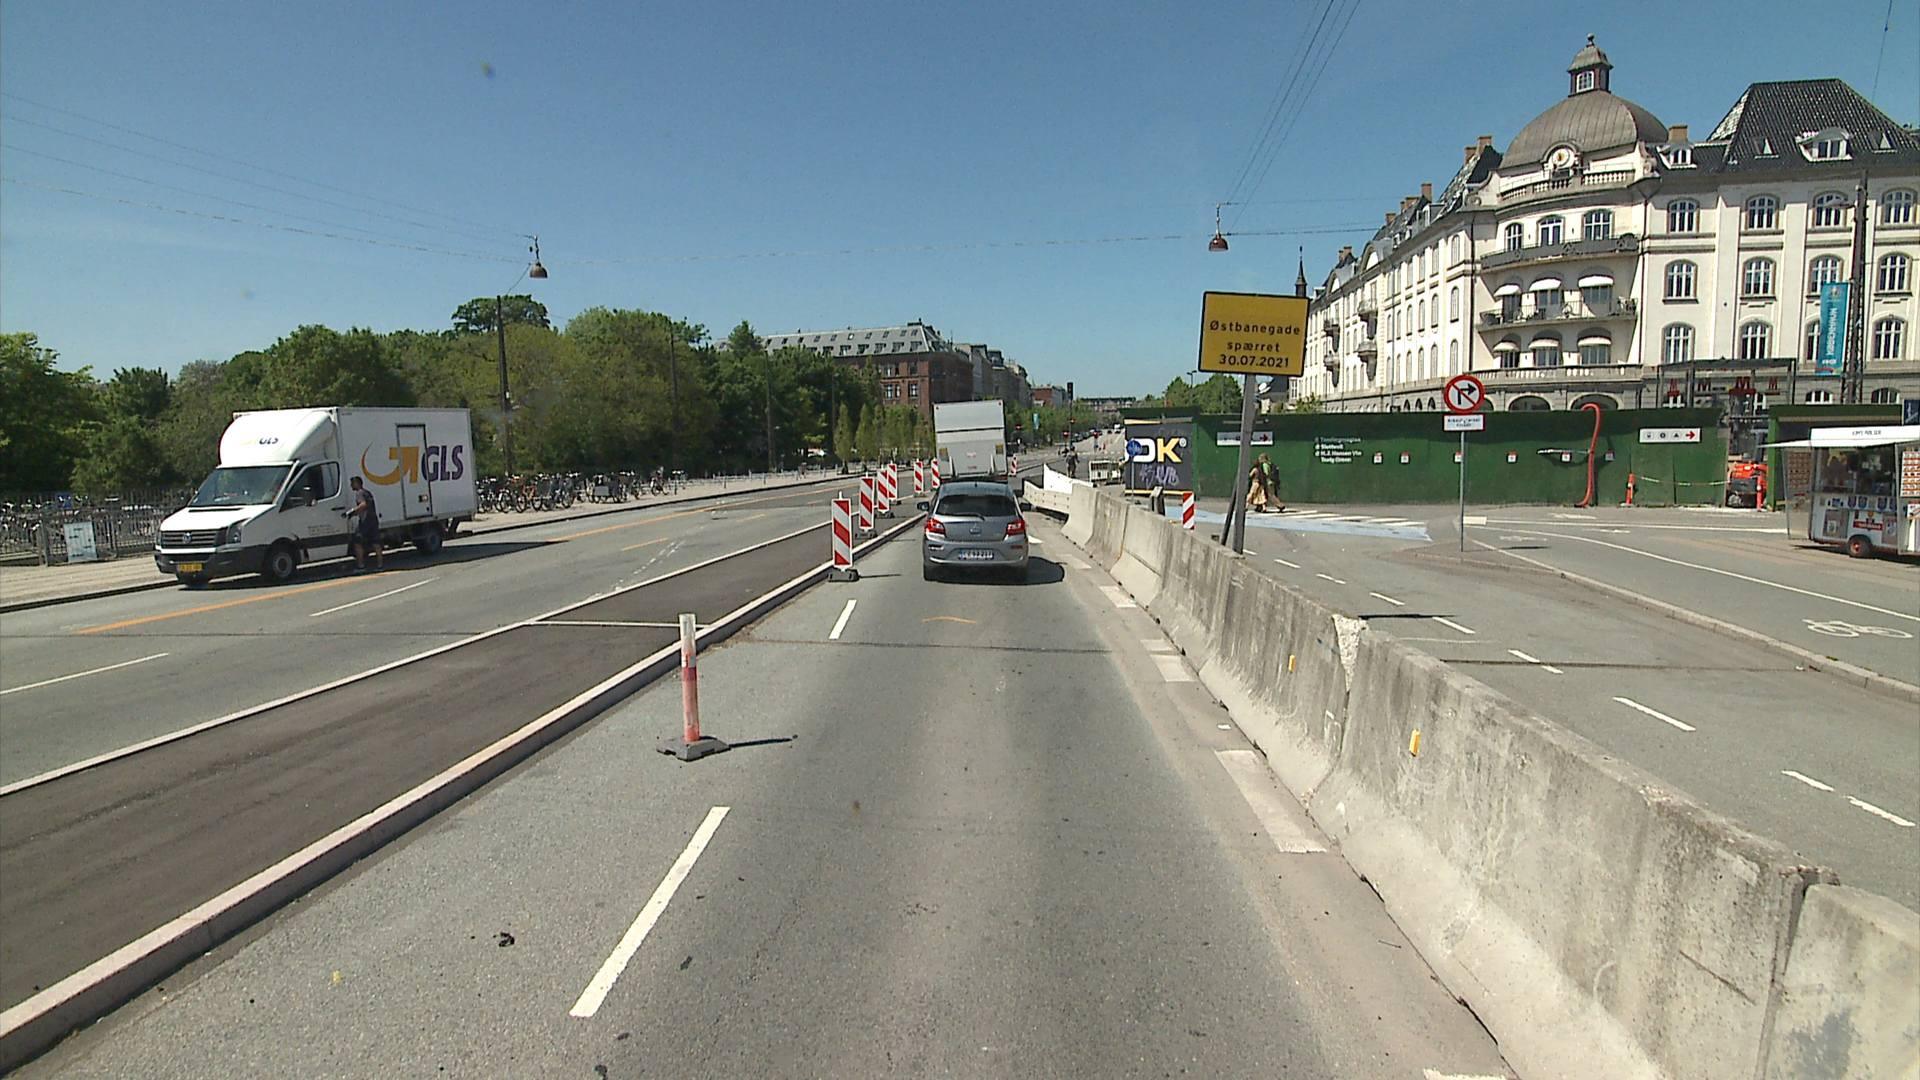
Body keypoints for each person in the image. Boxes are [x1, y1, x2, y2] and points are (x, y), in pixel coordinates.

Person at [347, 476, 383, 571]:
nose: (351, 486)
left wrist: (352, 512)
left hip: (365, 521)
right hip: (373, 520)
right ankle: (380, 565)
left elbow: (363, 505)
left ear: (357, 483)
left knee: (357, 542)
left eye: (352, 483)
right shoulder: (367, 493)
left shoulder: (359, 493)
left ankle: (361, 566)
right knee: (376, 543)